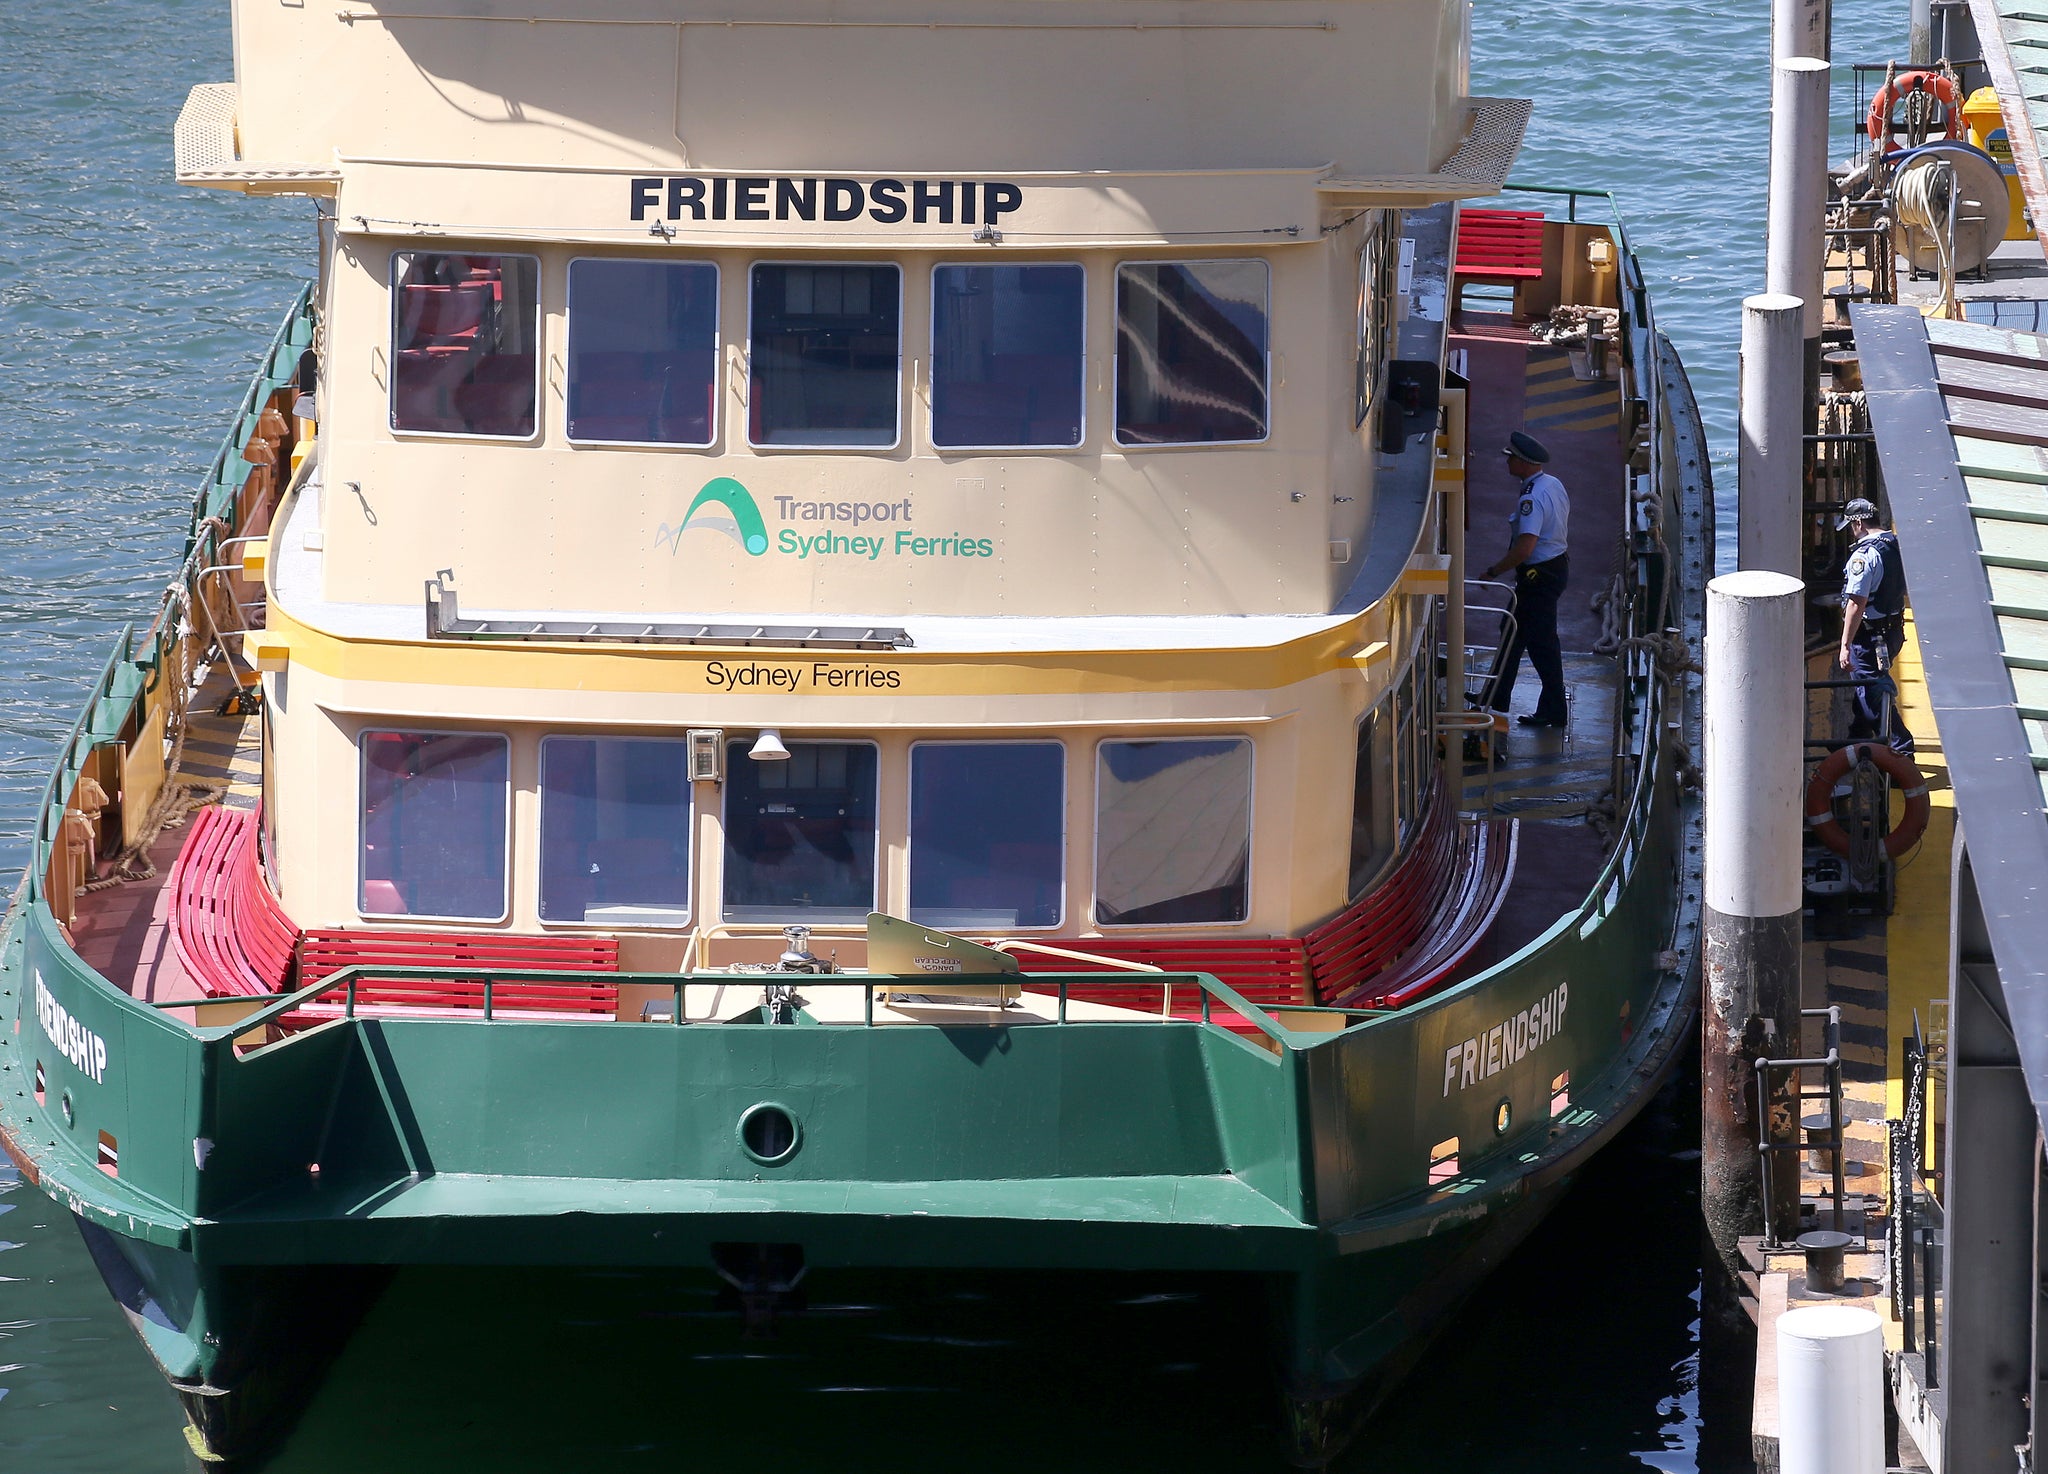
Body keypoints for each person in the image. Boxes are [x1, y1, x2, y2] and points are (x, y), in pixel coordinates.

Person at [1481, 430, 1571, 728]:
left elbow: (1525, 547)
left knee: (1542, 644)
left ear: (1523, 462)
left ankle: (1554, 710)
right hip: (1554, 567)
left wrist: (1494, 571)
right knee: (1512, 630)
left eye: (1512, 458)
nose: (1507, 463)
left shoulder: (1530, 498)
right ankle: (1495, 696)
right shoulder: (1553, 484)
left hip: (1538, 577)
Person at [1837, 497, 1915, 755]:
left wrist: (1845, 645)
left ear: (1858, 523)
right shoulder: (1896, 545)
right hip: (1893, 632)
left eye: (1851, 526)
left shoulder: (1864, 556)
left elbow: (1856, 604)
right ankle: (1856, 738)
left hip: (1869, 638)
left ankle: (1902, 750)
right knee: (1867, 686)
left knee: (1872, 693)